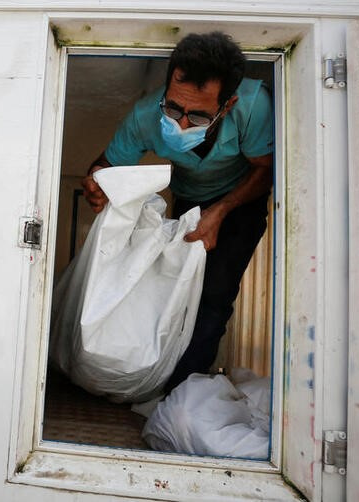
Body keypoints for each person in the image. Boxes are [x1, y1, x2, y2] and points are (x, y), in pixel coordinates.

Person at [81, 31, 274, 392]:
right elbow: (106, 166)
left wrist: (221, 211)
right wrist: (96, 183)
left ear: (226, 106)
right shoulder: (145, 116)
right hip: (188, 201)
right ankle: (155, 384)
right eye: (173, 109)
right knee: (181, 294)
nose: (181, 124)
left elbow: (266, 168)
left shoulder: (253, 105)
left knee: (215, 299)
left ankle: (178, 396)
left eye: (198, 116)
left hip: (240, 199)